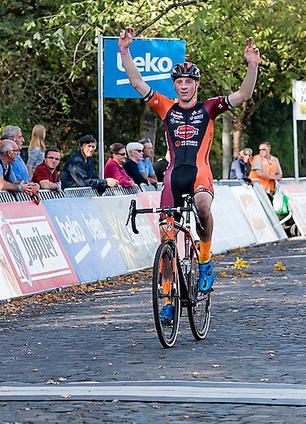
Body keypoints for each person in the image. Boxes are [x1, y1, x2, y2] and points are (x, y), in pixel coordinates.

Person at [119, 27, 259, 309]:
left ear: (196, 85)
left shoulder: (209, 108)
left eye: (189, 82)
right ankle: (169, 296)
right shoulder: (165, 107)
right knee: (167, 240)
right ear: (175, 85)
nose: (184, 86)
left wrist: (252, 65)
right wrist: (124, 51)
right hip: (173, 178)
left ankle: (205, 260)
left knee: (203, 207)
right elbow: (136, 82)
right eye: (179, 82)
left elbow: (243, 94)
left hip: (199, 174)